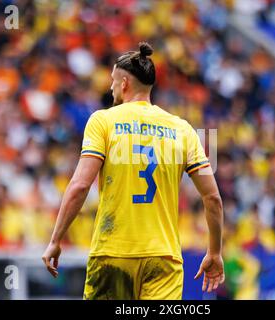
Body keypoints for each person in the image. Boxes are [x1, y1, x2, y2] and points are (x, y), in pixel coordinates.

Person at [42, 42, 224, 300]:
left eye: (113, 81)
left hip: (113, 253)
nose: (110, 87)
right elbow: (213, 198)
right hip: (164, 258)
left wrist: (56, 240)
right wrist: (214, 252)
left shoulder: (103, 121)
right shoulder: (183, 130)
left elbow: (81, 185)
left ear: (124, 83)